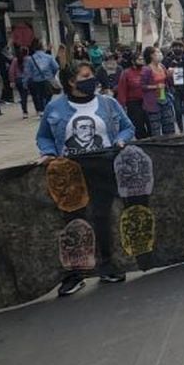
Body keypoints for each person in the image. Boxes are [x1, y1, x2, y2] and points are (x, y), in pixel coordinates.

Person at [36, 61, 135, 296]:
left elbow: (127, 127)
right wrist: (48, 153)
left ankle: (107, 265)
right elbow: (44, 136)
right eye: (86, 76)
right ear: (72, 82)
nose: (92, 80)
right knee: (73, 221)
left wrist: (121, 140)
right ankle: (75, 274)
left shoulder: (108, 104)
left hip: (103, 168)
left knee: (101, 217)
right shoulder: (55, 108)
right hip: (70, 172)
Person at [141, 46, 176, 136]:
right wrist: (155, 86)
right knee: (155, 126)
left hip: (164, 97)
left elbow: (167, 82)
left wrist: (169, 75)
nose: (160, 54)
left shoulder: (162, 66)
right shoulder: (146, 69)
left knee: (169, 123)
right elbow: (142, 86)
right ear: (151, 55)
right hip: (152, 101)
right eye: (157, 52)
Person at [115, 51, 150, 139]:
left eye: (142, 59)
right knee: (138, 126)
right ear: (133, 61)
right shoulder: (126, 73)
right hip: (133, 103)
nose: (141, 61)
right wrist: (122, 106)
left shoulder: (147, 70)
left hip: (148, 101)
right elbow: (122, 90)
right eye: (139, 59)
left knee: (151, 124)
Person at [24, 39, 59, 116]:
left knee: (39, 96)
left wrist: (25, 82)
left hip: (36, 81)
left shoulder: (30, 59)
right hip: (48, 79)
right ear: (42, 48)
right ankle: (46, 107)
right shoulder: (49, 57)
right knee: (48, 95)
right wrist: (52, 75)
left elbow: (28, 73)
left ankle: (42, 110)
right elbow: (56, 67)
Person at [9, 46, 30, 119]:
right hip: (25, 80)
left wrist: (12, 81)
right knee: (25, 96)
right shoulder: (28, 59)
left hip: (18, 80)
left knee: (22, 95)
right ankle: (25, 111)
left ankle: (24, 111)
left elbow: (11, 71)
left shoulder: (15, 60)